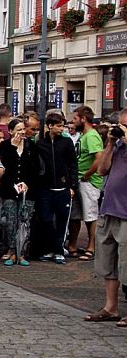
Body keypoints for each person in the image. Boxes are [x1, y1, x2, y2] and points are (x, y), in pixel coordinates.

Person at [84, 109, 127, 326]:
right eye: (120, 125)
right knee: (108, 262)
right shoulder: (117, 145)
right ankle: (111, 307)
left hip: (126, 213)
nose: (121, 129)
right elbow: (101, 170)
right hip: (109, 209)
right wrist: (110, 144)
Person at [35, 113, 78, 265]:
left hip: (63, 187)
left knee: (62, 220)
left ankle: (59, 250)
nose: (62, 129)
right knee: (46, 219)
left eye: (62, 126)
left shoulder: (66, 142)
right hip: (45, 188)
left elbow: (73, 164)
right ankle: (49, 248)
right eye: (59, 126)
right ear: (50, 126)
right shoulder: (41, 143)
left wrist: (72, 185)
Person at [0, 119, 39, 267]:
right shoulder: (5, 146)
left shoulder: (31, 146)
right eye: (18, 129)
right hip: (9, 189)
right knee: (11, 221)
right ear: (10, 131)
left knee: (24, 221)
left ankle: (22, 252)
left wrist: (27, 183)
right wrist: (13, 147)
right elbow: (7, 165)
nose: (22, 132)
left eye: (23, 129)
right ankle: (12, 251)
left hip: (27, 190)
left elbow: (35, 168)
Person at [69, 106, 104, 262]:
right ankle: (73, 245)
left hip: (88, 181)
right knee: (75, 215)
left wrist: (87, 175)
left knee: (90, 215)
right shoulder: (84, 136)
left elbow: (98, 157)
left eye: (75, 118)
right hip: (79, 179)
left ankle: (91, 247)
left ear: (83, 119)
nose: (73, 122)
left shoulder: (91, 136)